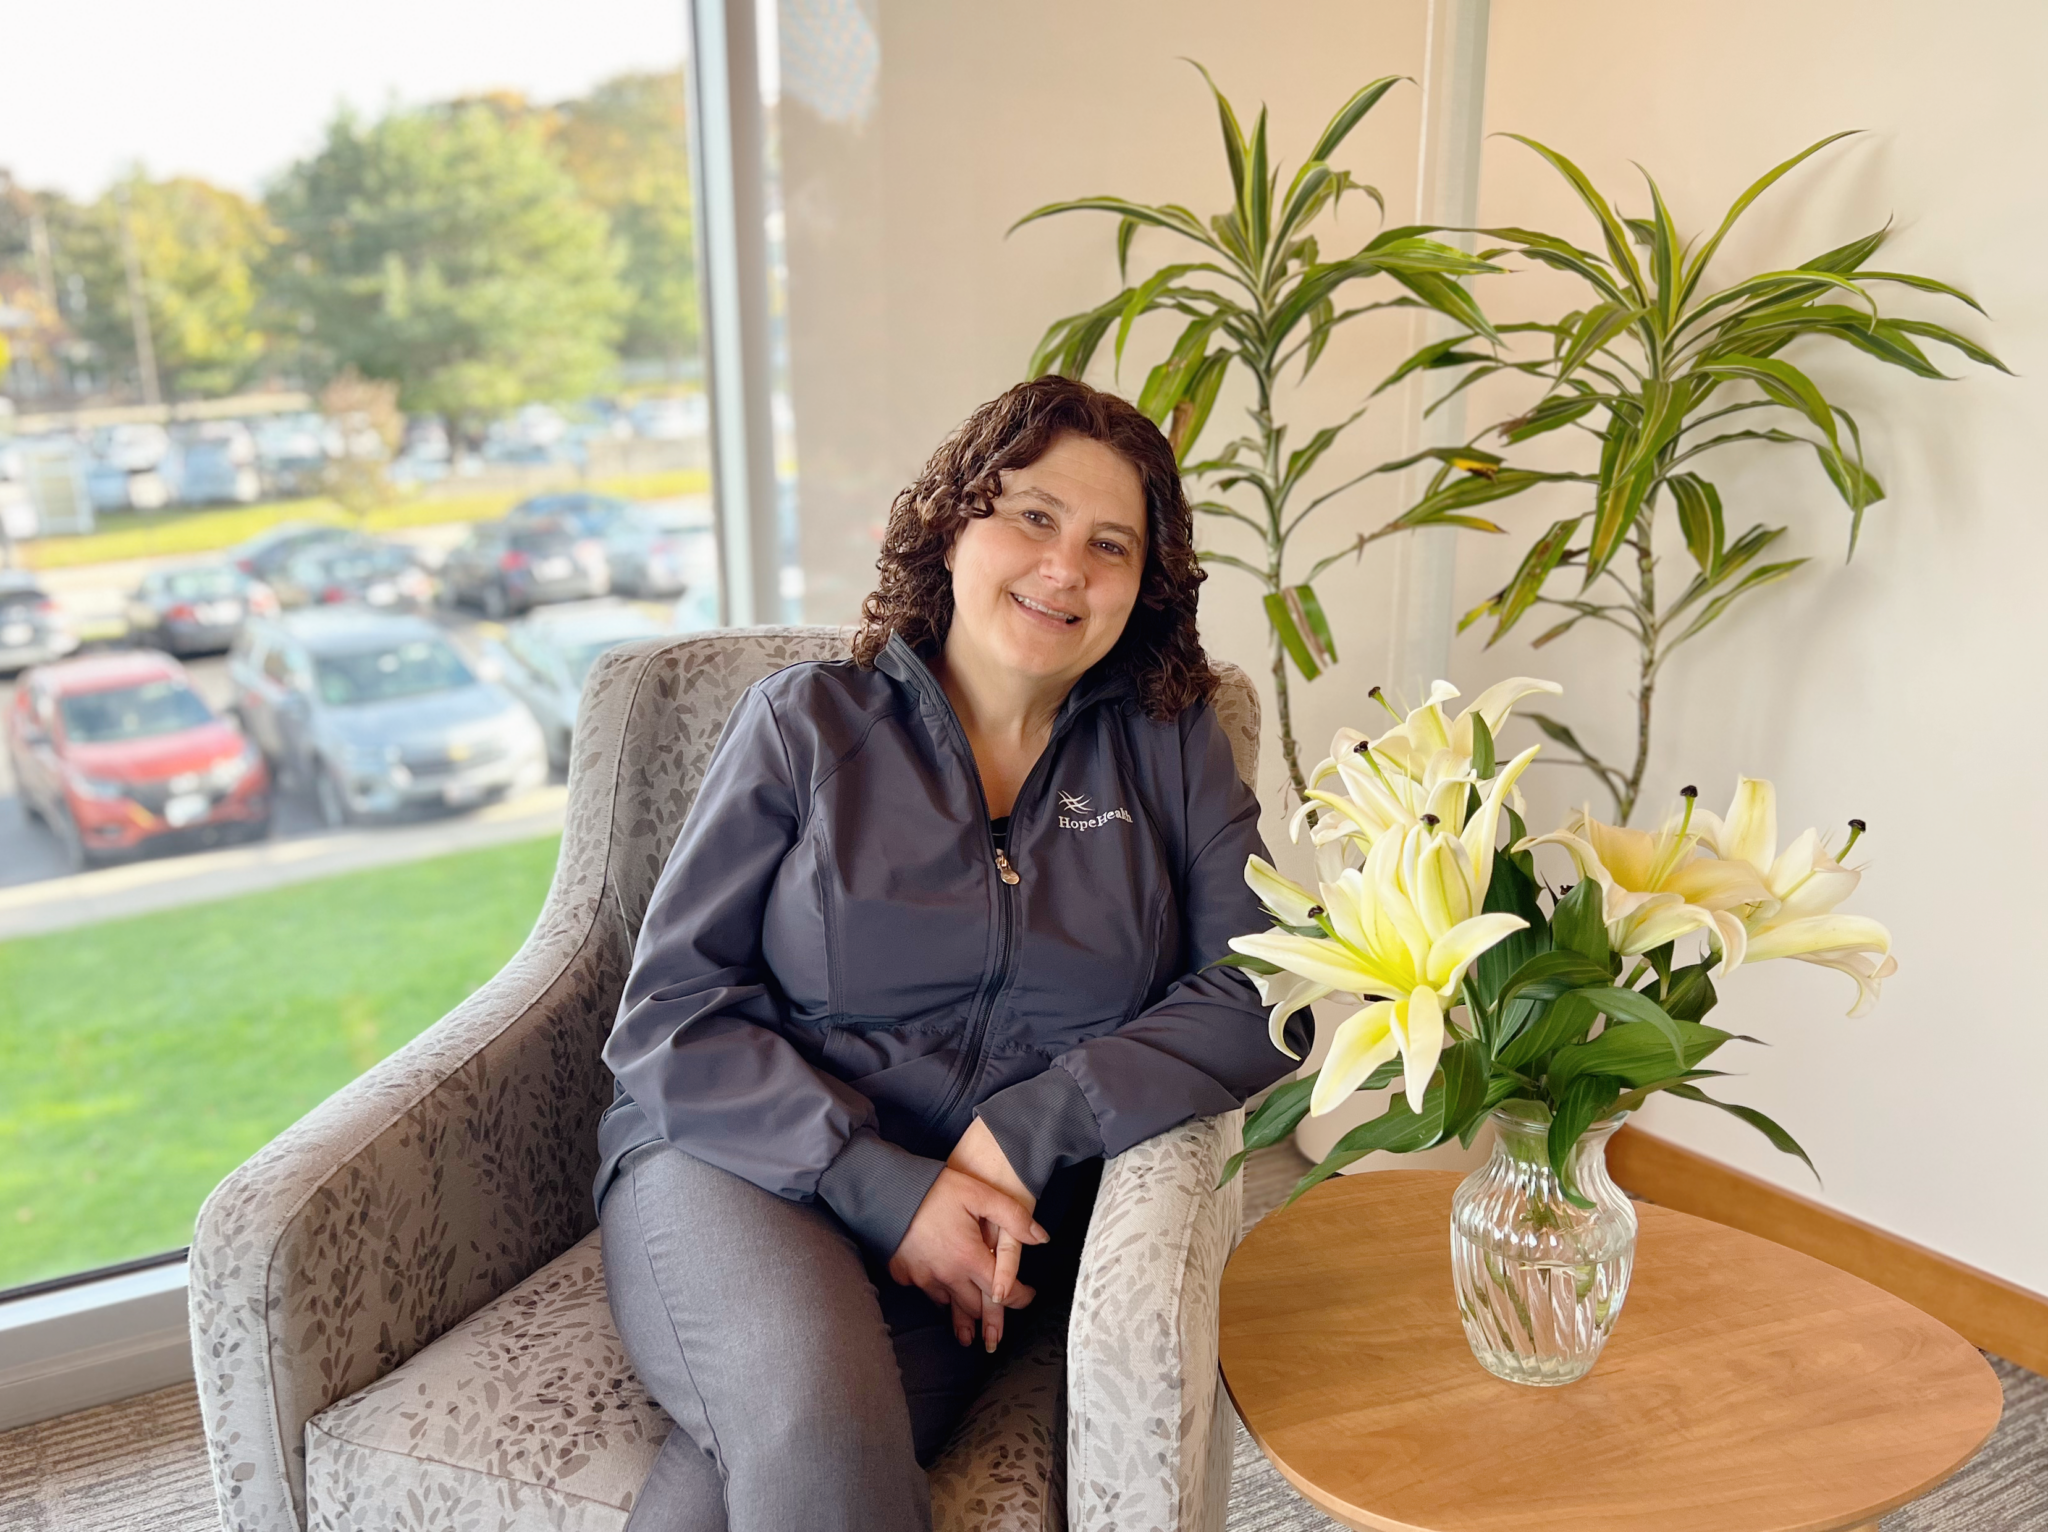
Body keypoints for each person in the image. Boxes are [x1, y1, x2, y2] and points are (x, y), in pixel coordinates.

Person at [595, 375, 1301, 1531]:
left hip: (987, 1225)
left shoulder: (1170, 747)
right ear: (952, 524)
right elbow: (670, 1014)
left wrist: (1030, 1127)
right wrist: (884, 1183)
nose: (1063, 565)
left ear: (1144, 583)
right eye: (1031, 515)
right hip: (737, 1163)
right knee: (816, 1419)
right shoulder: (807, 724)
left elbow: (1261, 988)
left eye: (1108, 542)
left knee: (745, 1490)